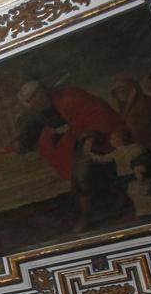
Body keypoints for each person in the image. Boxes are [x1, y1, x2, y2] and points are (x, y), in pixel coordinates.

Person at [12, 80, 124, 232]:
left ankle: (87, 216)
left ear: (43, 92)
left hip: (101, 135)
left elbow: (97, 113)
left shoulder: (70, 97)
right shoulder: (39, 111)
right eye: (30, 101)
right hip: (77, 141)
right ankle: (89, 213)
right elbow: (33, 127)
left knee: (83, 174)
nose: (36, 102)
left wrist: (91, 134)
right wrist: (21, 142)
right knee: (78, 177)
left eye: (36, 97)